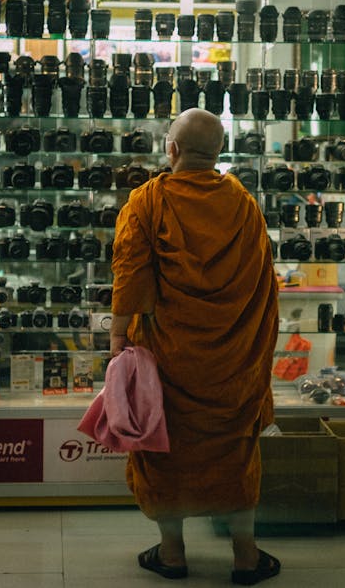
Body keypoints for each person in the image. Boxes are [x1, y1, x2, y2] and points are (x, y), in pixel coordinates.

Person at [110, 107, 280, 585]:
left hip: (171, 357)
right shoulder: (243, 202)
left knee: (166, 447)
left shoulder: (147, 201)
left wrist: (118, 338)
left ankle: (173, 552)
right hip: (233, 357)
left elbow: (131, 277)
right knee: (234, 451)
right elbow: (264, 284)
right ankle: (245, 557)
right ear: (219, 153)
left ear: (173, 149)